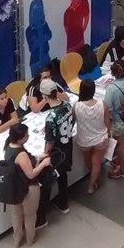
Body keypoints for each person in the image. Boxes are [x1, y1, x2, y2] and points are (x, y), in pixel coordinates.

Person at [4, 123, 51, 246]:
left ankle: (17, 240)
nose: (28, 137)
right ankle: (30, 239)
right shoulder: (21, 153)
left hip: (14, 187)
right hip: (27, 188)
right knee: (30, 215)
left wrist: (37, 158)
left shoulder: (8, 146)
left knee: (16, 215)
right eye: (26, 136)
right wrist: (43, 163)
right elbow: (31, 174)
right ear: (20, 138)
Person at [40, 78, 74, 216]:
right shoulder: (67, 105)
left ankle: (47, 209)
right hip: (67, 144)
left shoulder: (51, 117)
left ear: (44, 96)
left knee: (55, 175)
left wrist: (45, 153)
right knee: (63, 174)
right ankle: (63, 200)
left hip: (57, 151)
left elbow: (50, 141)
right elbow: (72, 120)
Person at [74, 79, 109, 194]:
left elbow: (73, 121)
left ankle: (93, 178)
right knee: (96, 162)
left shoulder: (76, 106)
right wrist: (110, 133)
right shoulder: (102, 105)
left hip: (84, 140)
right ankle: (91, 185)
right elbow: (107, 122)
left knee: (88, 160)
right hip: (100, 139)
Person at [104, 60, 124, 180]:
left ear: (112, 73)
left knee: (121, 145)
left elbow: (108, 109)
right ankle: (119, 161)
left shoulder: (111, 89)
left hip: (119, 122)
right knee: (122, 142)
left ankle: (123, 170)